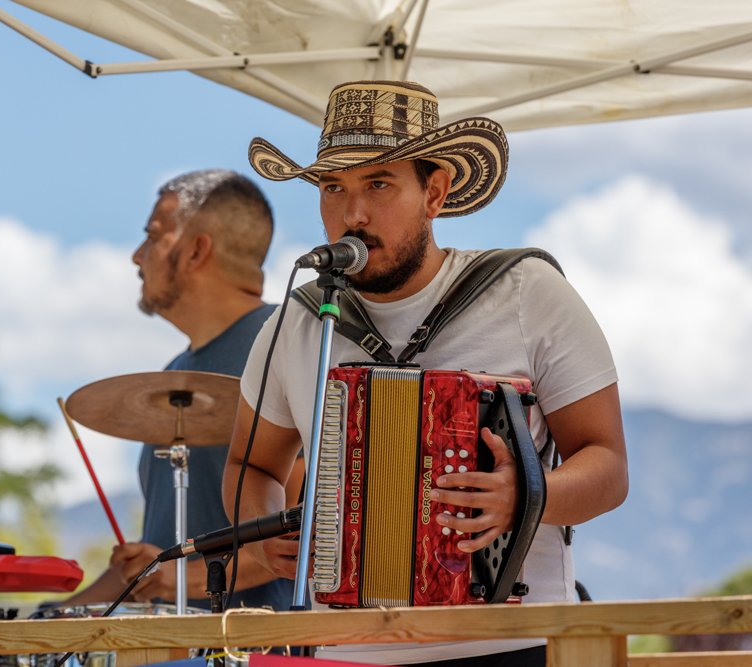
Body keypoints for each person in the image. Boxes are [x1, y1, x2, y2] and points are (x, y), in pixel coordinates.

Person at [223, 80, 629, 665]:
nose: (351, 214)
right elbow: (251, 465)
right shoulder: (300, 319)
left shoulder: (527, 294)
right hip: (342, 654)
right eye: (332, 187)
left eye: (379, 184)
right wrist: (268, 537)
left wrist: (525, 496)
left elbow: (608, 467)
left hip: (508, 649)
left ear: (434, 192)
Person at [66, 169, 301, 610]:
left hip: (250, 652)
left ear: (196, 250)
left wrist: (181, 577)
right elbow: (152, 564)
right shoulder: (176, 374)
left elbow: (300, 534)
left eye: (153, 236)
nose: (138, 256)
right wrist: (48, 618)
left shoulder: (287, 343)